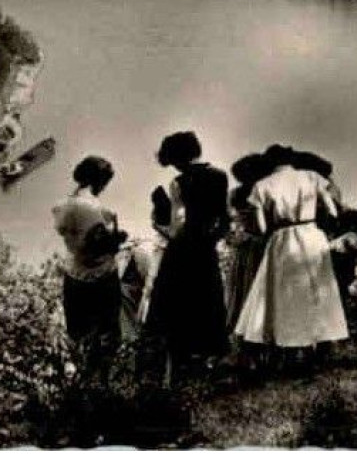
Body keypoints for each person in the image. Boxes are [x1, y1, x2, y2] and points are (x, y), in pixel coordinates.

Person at [233, 144, 349, 358]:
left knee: (287, 296)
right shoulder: (312, 177)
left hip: (283, 238)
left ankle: (293, 348)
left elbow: (262, 227)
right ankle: (324, 344)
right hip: (312, 234)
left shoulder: (262, 185)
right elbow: (333, 211)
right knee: (318, 290)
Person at [143, 131, 231, 376]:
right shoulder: (219, 176)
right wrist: (212, 239)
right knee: (207, 302)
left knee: (177, 309)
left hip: (182, 252)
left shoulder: (179, 183)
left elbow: (176, 226)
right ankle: (207, 363)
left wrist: (156, 221)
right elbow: (224, 218)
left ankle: (178, 369)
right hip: (207, 249)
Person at [51, 155, 125, 365]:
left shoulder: (60, 206)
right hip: (100, 278)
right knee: (107, 335)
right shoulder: (93, 209)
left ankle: (83, 382)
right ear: (100, 181)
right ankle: (103, 382)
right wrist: (116, 239)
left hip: (73, 276)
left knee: (78, 335)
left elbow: (71, 237)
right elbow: (96, 249)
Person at [223, 152, 272, 332]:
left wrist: (232, 238)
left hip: (248, 245)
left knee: (242, 289)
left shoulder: (235, 194)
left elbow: (225, 221)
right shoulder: (259, 191)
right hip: (260, 244)